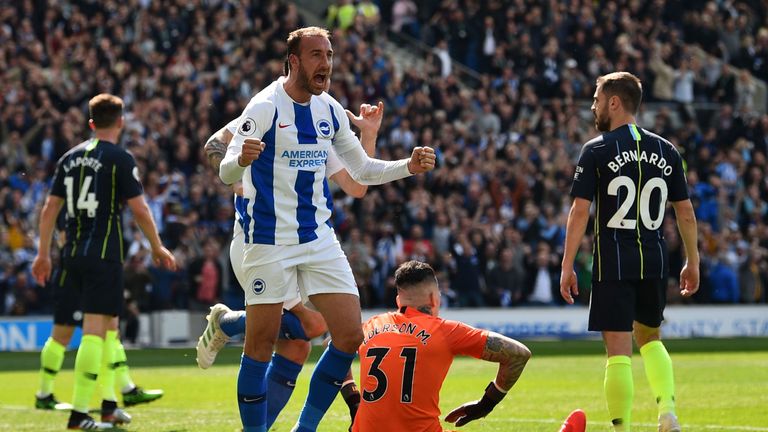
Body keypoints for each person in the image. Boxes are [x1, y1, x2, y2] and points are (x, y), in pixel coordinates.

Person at [218, 26, 435, 432]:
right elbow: (224, 167)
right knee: (261, 345)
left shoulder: (330, 110)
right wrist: (241, 160)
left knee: (350, 336)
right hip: (268, 240)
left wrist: (408, 165)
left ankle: (305, 429)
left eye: (330, 55)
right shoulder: (265, 106)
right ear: (294, 61)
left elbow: (362, 171)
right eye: (317, 55)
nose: (327, 64)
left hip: (317, 238)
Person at [198, 85, 384, 430]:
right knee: (312, 326)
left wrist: (367, 135)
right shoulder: (266, 113)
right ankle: (230, 324)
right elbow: (214, 143)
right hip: (261, 242)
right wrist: (235, 172)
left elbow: (358, 185)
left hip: (305, 244)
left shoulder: (320, 133)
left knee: (298, 347)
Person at [560, 72, 699, 432]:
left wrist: (567, 265)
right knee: (651, 339)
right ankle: (668, 412)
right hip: (654, 260)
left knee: (618, 351)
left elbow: (579, 212)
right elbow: (684, 211)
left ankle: (622, 428)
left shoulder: (597, 149)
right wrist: (692, 261)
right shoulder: (667, 150)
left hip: (613, 261)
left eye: (596, 98)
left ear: (614, 102)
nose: (593, 105)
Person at [31, 93, 176, 430]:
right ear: (121, 121)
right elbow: (139, 208)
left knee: (109, 331)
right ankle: (80, 414)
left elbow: (50, 209)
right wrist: (156, 245)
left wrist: (42, 253)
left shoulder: (68, 158)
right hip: (103, 254)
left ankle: (110, 405)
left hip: (71, 254)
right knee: (96, 333)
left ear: (91, 123)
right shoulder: (120, 158)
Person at [352, 260, 531, 431]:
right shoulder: (445, 331)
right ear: (434, 297)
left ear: (399, 301)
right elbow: (519, 354)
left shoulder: (370, 326)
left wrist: (353, 400)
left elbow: (334, 344)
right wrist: (486, 404)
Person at [35, 221, 163, 412]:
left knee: (112, 329)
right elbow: (63, 236)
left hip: (94, 272)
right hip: (74, 275)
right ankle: (45, 395)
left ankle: (125, 389)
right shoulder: (71, 196)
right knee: (63, 336)